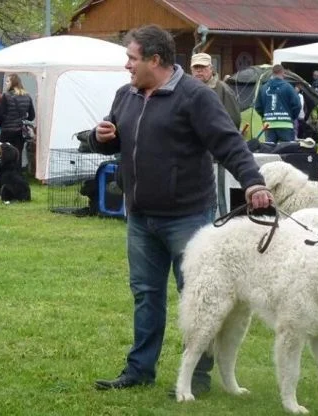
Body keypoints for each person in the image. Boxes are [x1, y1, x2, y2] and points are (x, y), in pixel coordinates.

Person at [90, 24, 273, 394]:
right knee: (146, 295)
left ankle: (198, 376)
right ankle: (139, 370)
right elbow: (116, 140)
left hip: (188, 217)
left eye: (132, 58)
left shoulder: (195, 96)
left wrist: (253, 181)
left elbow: (228, 142)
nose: (127, 65)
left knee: (199, 296)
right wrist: (100, 138)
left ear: (155, 60)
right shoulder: (126, 95)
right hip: (140, 216)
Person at [190, 52, 241, 128]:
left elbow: (234, 120)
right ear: (191, 70)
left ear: (211, 68)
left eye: (202, 67)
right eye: (196, 67)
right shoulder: (186, 90)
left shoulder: (224, 90)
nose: (199, 71)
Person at [0, 73, 35, 170]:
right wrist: (23, 118)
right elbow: (32, 116)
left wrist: (1, 125)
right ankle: (16, 175)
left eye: (8, 81)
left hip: (7, 131)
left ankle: (4, 175)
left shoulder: (6, 96)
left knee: (3, 155)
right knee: (17, 155)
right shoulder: (27, 96)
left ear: (13, 83)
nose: (6, 83)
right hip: (20, 132)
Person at [254, 64, 301, 143]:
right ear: (283, 73)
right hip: (286, 124)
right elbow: (297, 105)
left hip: (269, 125)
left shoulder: (263, 88)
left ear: (272, 73)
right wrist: (291, 117)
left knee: (270, 149)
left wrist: (266, 116)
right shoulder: (288, 87)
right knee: (287, 149)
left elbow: (258, 107)